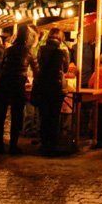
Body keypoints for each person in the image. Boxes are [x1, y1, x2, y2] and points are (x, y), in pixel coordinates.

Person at [0, 23, 37, 154]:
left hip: (4, 82)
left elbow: (0, 67)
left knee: (1, 114)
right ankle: (13, 145)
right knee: (16, 115)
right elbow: (36, 70)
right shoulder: (28, 52)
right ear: (27, 37)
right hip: (18, 84)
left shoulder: (8, 50)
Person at [32, 27, 69, 155]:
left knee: (44, 115)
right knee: (54, 116)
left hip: (42, 86)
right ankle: (52, 144)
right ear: (60, 39)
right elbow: (65, 69)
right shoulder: (62, 52)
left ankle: (44, 143)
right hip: (56, 87)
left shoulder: (41, 50)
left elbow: (37, 66)